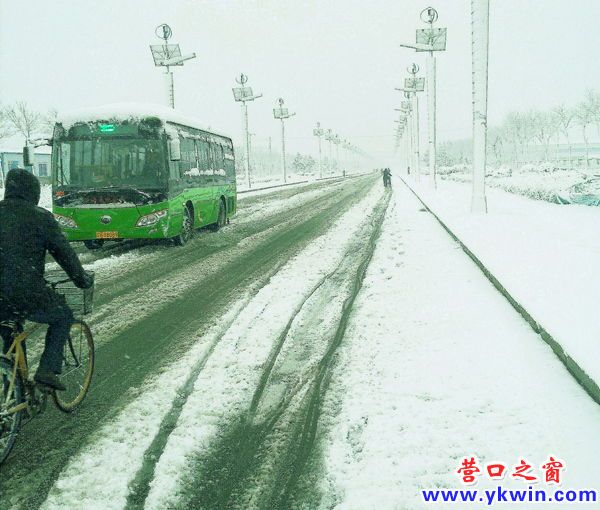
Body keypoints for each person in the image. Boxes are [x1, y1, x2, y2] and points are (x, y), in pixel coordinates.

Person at [0, 169, 93, 390]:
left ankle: (12, 386)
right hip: (24, 291)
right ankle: (46, 371)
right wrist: (81, 279)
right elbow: (64, 253)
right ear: (33, 192)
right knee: (63, 316)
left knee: (9, 329)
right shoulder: (40, 217)